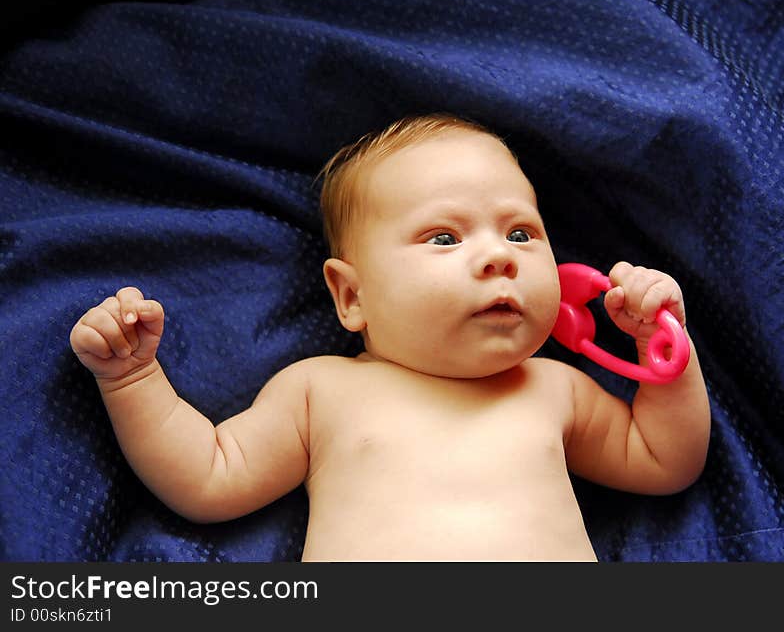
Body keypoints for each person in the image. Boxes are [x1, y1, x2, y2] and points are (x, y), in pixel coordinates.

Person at [69, 113, 711, 561]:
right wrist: (132, 379)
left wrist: (663, 349)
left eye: (520, 233)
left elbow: (664, 461)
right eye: (444, 237)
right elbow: (211, 477)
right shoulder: (323, 390)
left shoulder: (552, 389)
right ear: (352, 296)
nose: (499, 257)